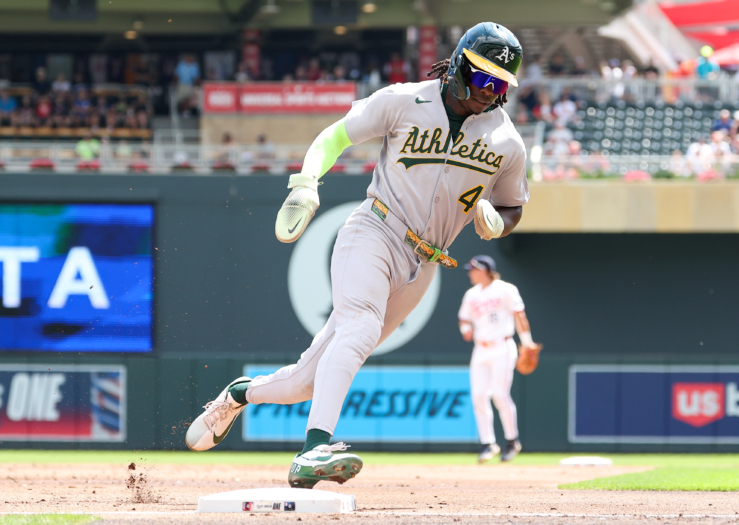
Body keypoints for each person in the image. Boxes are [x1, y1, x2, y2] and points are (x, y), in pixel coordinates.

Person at [186, 22, 529, 489]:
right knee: (362, 327)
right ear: (458, 66)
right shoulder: (405, 100)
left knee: (306, 381)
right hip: (375, 231)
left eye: (501, 83)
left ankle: (239, 395)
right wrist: (306, 183)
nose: (491, 91)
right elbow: (333, 138)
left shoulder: (507, 141)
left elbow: (512, 205)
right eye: (484, 77)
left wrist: (499, 223)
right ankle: (313, 449)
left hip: (427, 263)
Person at [458, 255, 537, 463]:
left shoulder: (505, 289)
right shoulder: (471, 294)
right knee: (479, 396)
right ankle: (488, 444)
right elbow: (463, 319)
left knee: (500, 395)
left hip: (503, 346)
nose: (469, 273)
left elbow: (519, 315)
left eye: (472, 269)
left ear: (483, 270)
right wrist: (465, 329)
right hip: (480, 349)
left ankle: (512, 441)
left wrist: (527, 342)